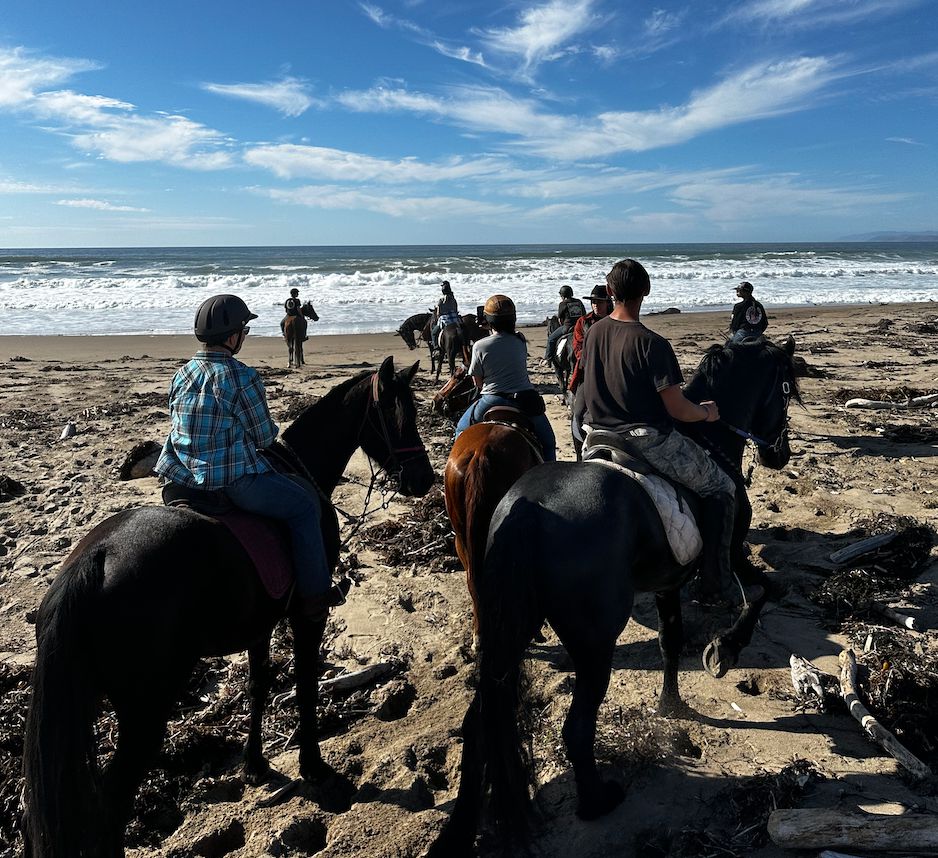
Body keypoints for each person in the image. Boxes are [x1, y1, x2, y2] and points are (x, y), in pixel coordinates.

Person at [155, 294, 349, 620]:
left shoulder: (182, 374)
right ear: (232, 336)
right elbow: (263, 438)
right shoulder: (242, 377)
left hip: (180, 477)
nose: (244, 336)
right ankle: (315, 597)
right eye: (243, 330)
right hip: (231, 481)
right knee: (304, 506)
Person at [579, 260, 735, 603]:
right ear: (646, 292)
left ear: (610, 293)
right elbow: (677, 408)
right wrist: (706, 414)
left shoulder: (593, 332)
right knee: (721, 486)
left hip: (597, 436)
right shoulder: (652, 343)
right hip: (646, 440)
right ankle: (716, 581)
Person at [455, 294, 556, 461]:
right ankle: (549, 477)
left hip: (491, 400)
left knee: (461, 429)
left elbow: (477, 382)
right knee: (548, 442)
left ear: (488, 320)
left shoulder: (480, 346)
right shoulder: (520, 340)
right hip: (525, 400)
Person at [568, 283, 613, 394]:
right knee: (579, 408)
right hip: (588, 368)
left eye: (600, 302)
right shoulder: (583, 321)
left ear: (607, 303)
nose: (596, 305)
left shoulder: (616, 321)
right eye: (594, 302)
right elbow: (578, 346)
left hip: (613, 367)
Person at [543, 285, 586, 366]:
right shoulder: (579, 302)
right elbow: (584, 314)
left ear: (562, 295)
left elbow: (560, 319)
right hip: (580, 327)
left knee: (551, 338)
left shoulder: (563, 304)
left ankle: (548, 359)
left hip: (567, 327)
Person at [430, 280, 461, 350]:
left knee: (434, 333)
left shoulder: (441, 300)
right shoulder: (453, 298)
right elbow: (456, 310)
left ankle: (436, 347)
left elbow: (438, 313)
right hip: (455, 319)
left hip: (445, 319)